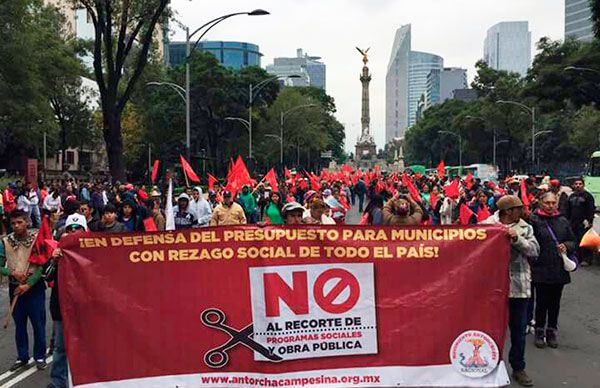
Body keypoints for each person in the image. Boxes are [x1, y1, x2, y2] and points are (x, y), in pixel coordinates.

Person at [482, 196, 539, 387]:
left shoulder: (526, 228)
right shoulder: (486, 226)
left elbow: (534, 251)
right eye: (519, 208)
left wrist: (517, 239)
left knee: (518, 331)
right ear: (508, 211)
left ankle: (518, 368)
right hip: (492, 287)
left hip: (518, 287)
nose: (523, 211)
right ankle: (487, 367)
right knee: (489, 330)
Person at [0, 210, 47, 371]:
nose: (16, 226)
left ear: (26, 221)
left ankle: (40, 356)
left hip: (34, 288)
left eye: (19, 222)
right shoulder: (5, 242)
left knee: (38, 324)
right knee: (19, 324)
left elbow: (43, 265)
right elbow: (0, 266)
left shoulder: (37, 239)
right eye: (13, 223)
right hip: (15, 287)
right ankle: (22, 357)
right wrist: (12, 273)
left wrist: (29, 283)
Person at [529, 192, 576, 349]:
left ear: (557, 204)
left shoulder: (563, 221)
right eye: (547, 203)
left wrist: (567, 246)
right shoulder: (534, 221)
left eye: (553, 203)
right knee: (541, 302)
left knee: (555, 303)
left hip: (558, 269)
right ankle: (539, 331)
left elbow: (573, 241)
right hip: (540, 268)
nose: (550, 206)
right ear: (541, 203)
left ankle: (552, 331)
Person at [46, 214, 88, 388]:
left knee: (88, 347)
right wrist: (54, 261)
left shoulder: (93, 252)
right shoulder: (59, 254)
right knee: (60, 348)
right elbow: (46, 276)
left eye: (78, 229)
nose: (73, 232)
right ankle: (57, 382)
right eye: (70, 229)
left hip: (85, 309)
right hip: (62, 308)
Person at [566, 178, 595, 266]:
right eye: (576, 184)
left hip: (583, 223)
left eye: (580, 184)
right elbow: (568, 210)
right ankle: (577, 258)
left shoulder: (588, 196)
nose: (578, 185)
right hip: (573, 222)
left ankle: (586, 259)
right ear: (574, 185)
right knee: (574, 240)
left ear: (583, 185)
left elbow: (591, 209)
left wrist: (589, 221)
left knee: (584, 241)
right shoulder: (571, 196)